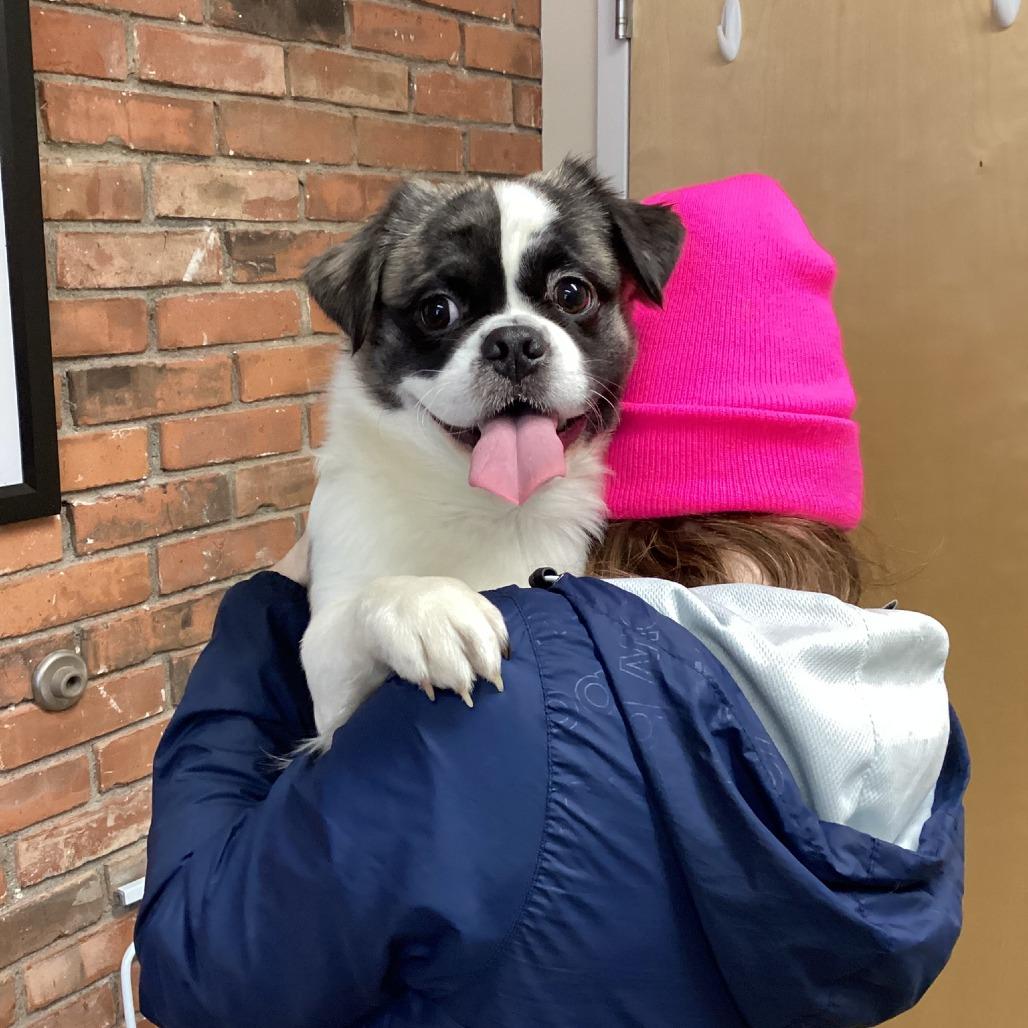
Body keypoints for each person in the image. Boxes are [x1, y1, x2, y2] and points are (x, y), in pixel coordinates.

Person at [135, 175, 967, 1028]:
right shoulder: (899, 711)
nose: (514, 343)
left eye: (568, 297)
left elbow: (197, 964)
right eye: (439, 313)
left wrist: (266, 611)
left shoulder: (519, 710)